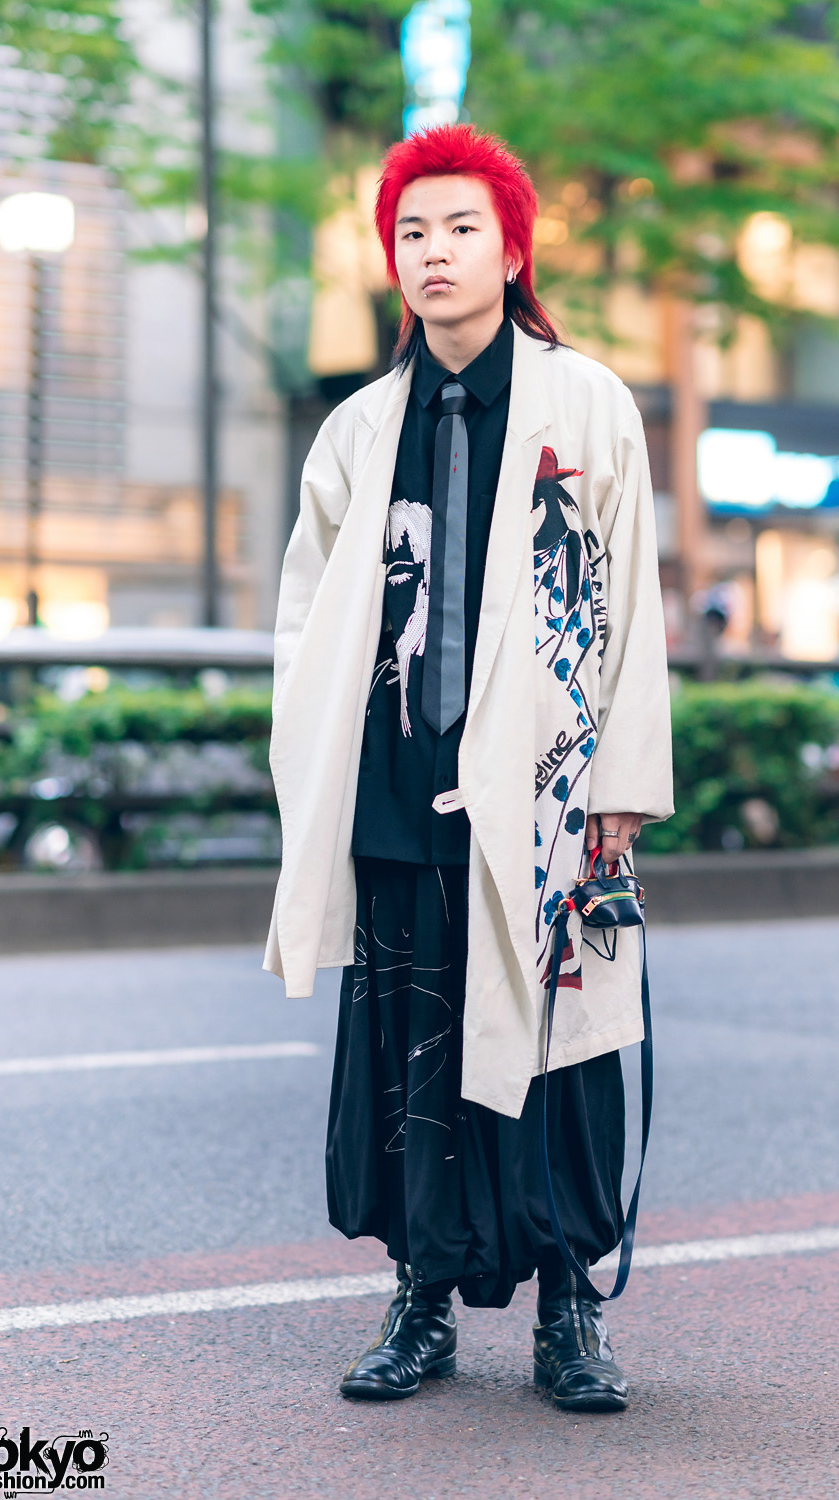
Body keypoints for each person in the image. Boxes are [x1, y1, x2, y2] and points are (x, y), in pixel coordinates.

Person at [265, 123, 673, 1414]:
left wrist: (619, 788)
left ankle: (570, 1316)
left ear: (510, 248)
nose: (432, 253)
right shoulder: (357, 428)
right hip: (395, 793)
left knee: (558, 1055)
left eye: (458, 229)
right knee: (410, 1059)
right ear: (391, 262)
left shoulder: (586, 403)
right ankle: (420, 1300)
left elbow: (633, 609)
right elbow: (304, 614)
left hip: (547, 793)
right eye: (410, 233)